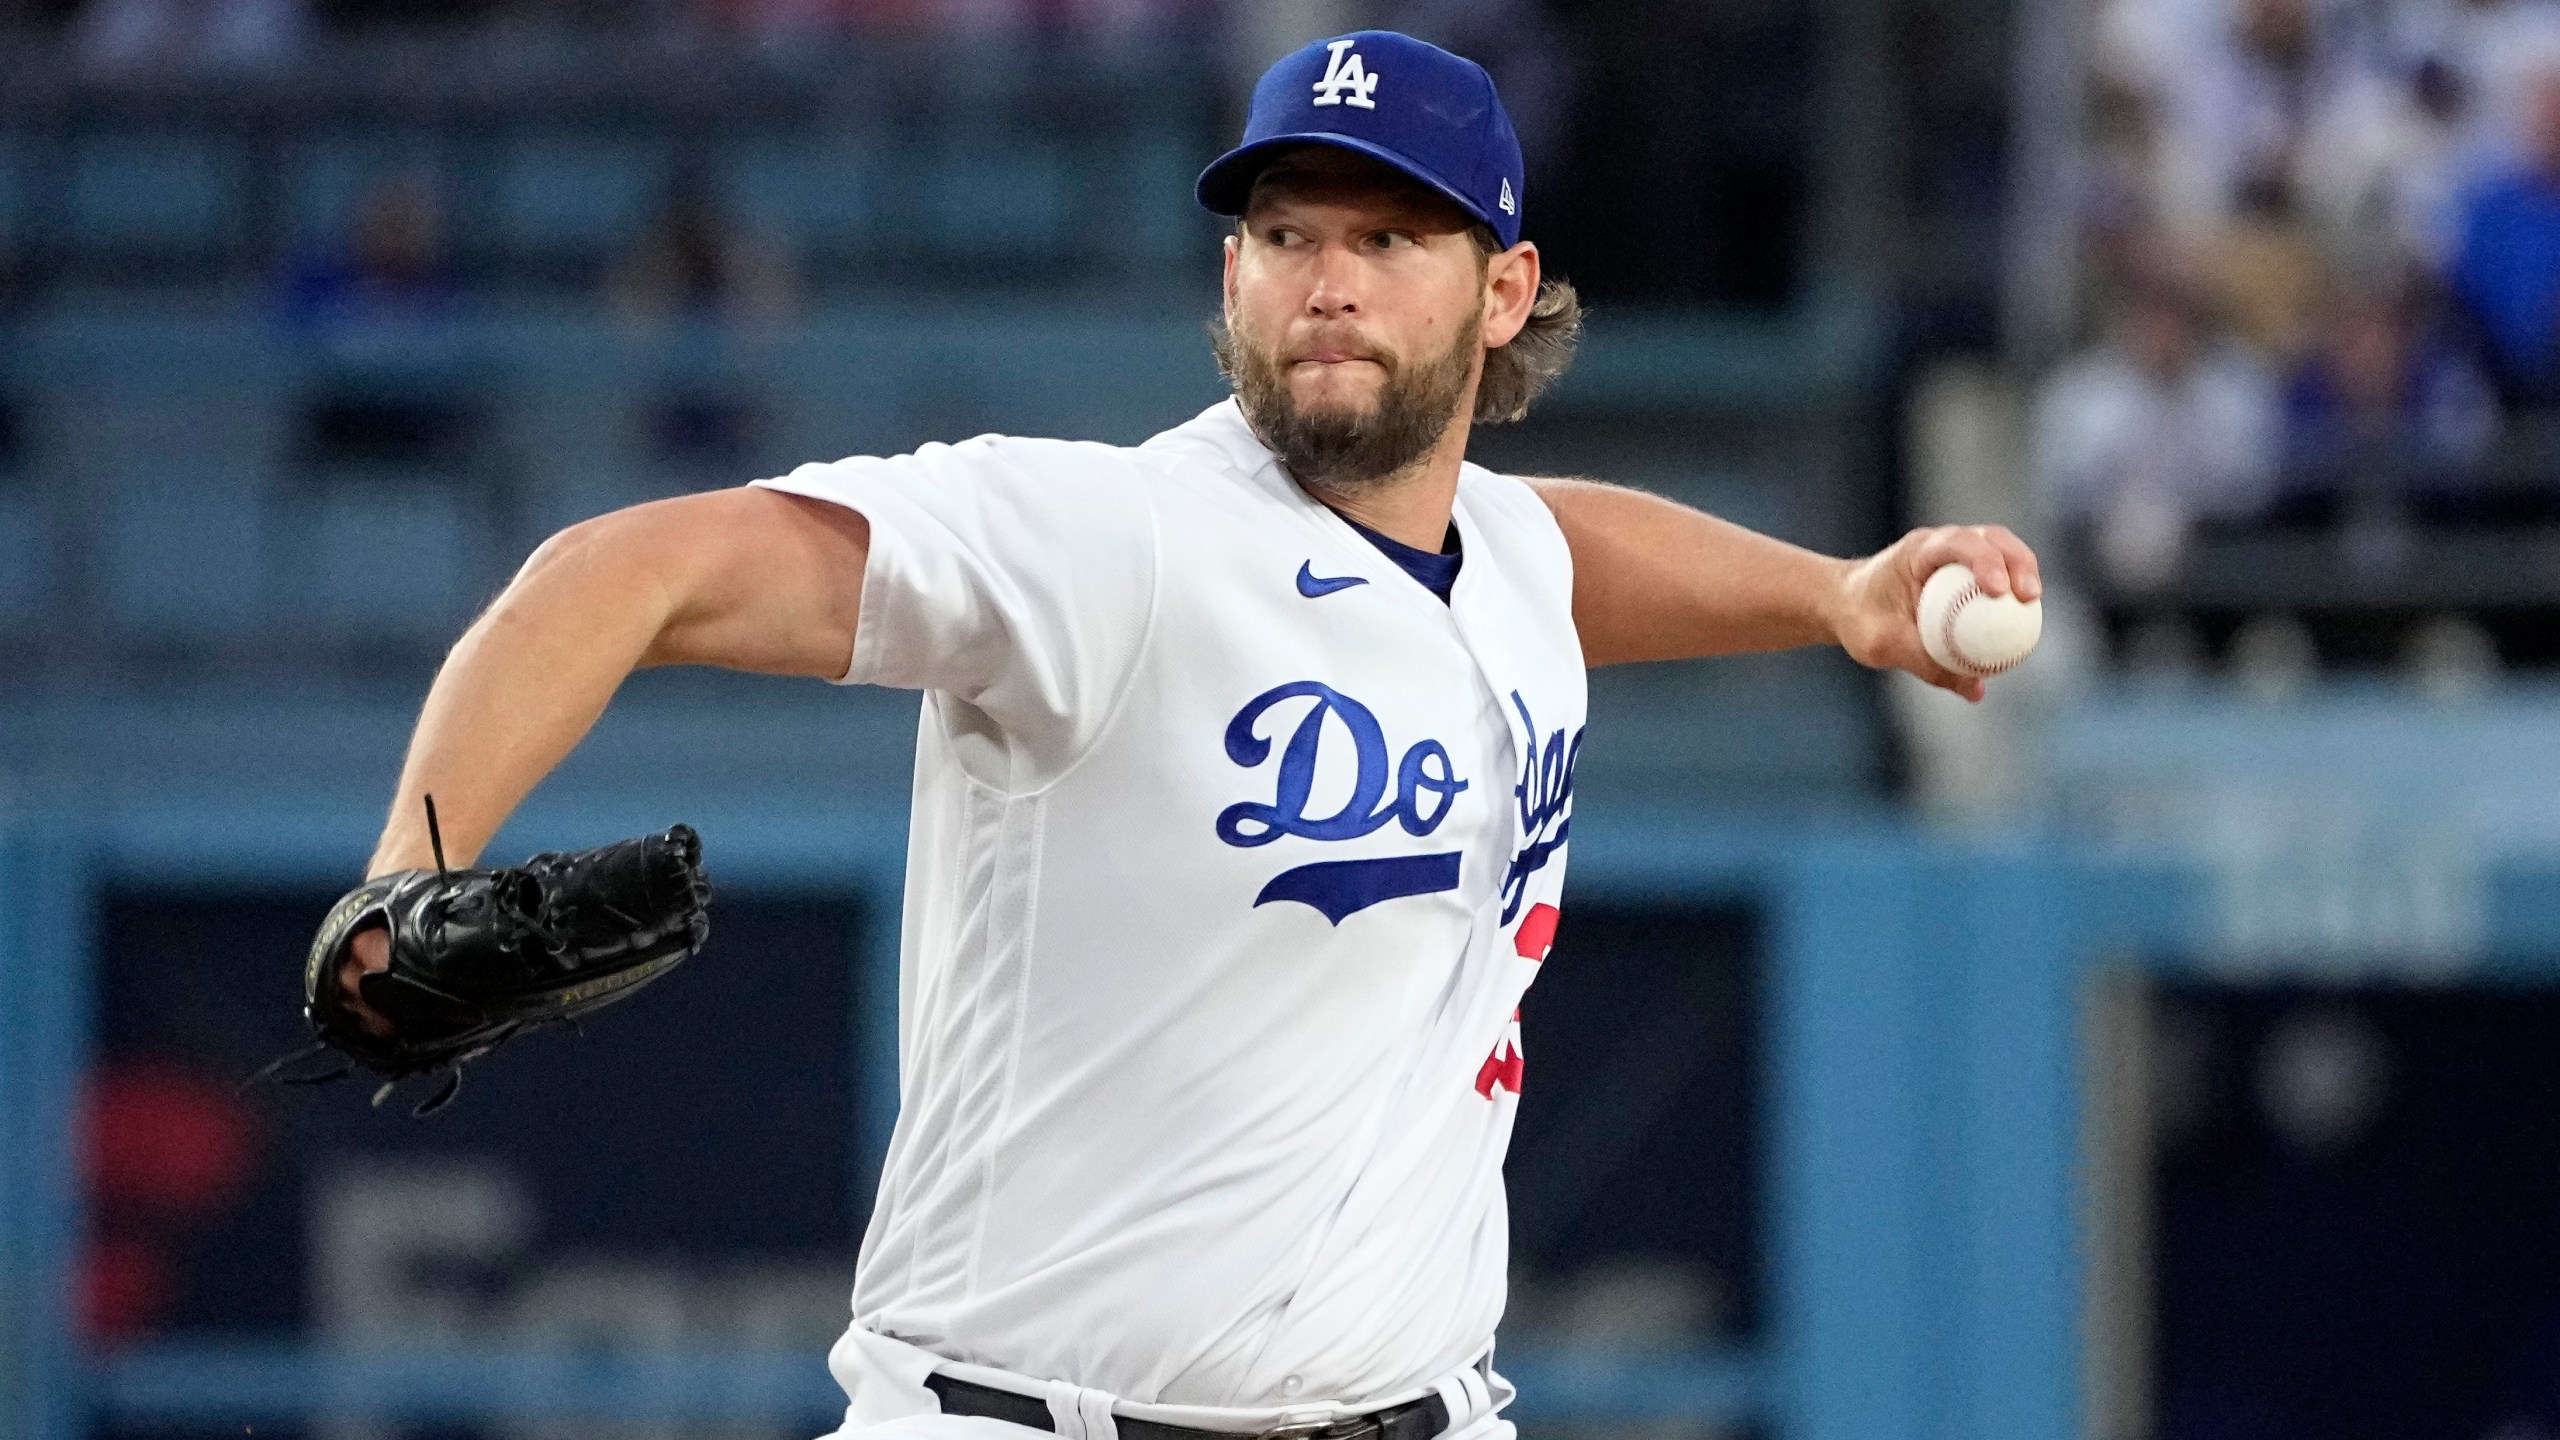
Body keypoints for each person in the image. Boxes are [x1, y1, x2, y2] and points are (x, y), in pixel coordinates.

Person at [327, 32, 2040, 1440]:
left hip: (1422, 1407)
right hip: (1021, 1414)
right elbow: (626, 569)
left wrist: (1840, 596)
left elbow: (1562, 551)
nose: (1330, 282)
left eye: (1390, 238)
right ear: (1232, 272)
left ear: (1504, 289)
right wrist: (404, 874)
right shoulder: (1107, 541)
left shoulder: (1505, 555)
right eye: (1290, 233)